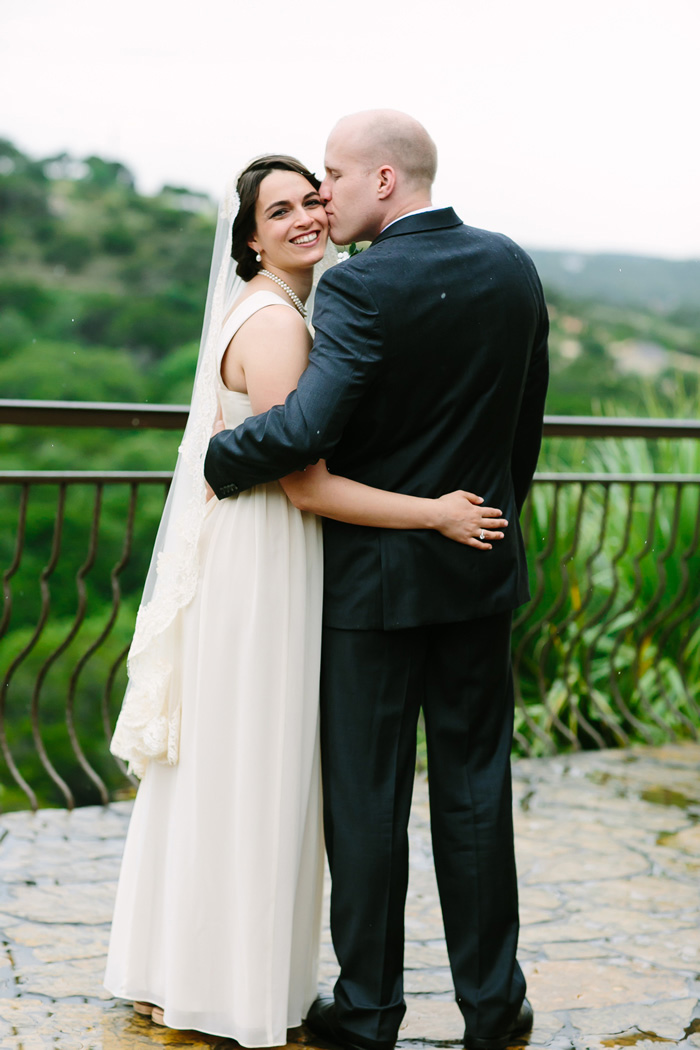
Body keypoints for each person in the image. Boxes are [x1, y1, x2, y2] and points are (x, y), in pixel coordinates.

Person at [104, 153, 508, 1048]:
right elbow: (304, 479)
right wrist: (439, 512)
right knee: (268, 770)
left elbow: (288, 450)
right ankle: (247, 980)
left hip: (313, 566)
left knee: (273, 779)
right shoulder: (296, 320)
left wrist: (227, 455)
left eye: (315, 195)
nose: (309, 213)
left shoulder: (323, 299)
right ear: (249, 237)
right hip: (306, 560)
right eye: (282, 208)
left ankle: (275, 988)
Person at [204, 112, 550, 1050]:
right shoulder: (513, 265)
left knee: (368, 800)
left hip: (371, 592)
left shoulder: (358, 290)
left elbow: (305, 430)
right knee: (477, 793)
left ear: (385, 181)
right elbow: (524, 429)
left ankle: (368, 1012)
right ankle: (493, 1007)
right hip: (479, 567)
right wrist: (484, 517)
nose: (325, 196)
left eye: (334, 177)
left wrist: (219, 456)